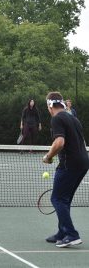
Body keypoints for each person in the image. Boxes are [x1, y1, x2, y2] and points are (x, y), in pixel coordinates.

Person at [43, 92, 88, 248]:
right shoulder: (73, 118)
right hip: (83, 163)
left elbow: (60, 142)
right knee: (65, 199)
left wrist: (48, 157)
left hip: (69, 164)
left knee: (57, 199)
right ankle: (62, 233)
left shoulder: (57, 118)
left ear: (50, 105)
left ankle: (71, 234)